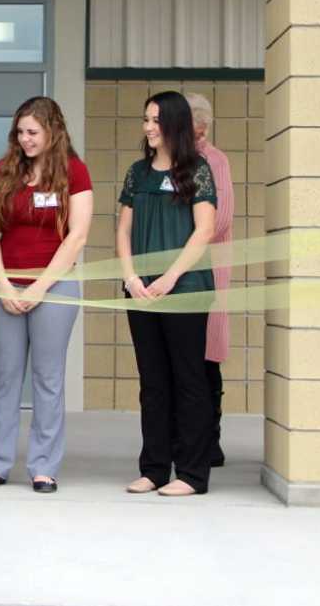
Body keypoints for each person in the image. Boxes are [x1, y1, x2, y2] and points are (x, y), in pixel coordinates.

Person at [0, 97, 93, 494]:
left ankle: (43, 466)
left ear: (53, 131)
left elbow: (77, 236)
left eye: (33, 132)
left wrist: (41, 287)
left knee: (48, 377)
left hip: (54, 287)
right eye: (20, 132)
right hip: (6, 284)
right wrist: (3, 282)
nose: (25, 139)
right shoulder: (4, 170)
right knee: (5, 378)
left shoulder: (75, 172)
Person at [118, 91, 217, 497]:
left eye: (154, 120)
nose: (147, 127)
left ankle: (192, 474)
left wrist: (170, 277)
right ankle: (155, 468)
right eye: (145, 120)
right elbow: (122, 231)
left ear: (174, 123)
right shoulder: (137, 173)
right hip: (140, 292)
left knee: (189, 380)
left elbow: (205, 231)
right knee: (152, 382)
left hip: (185, 290)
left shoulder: (199, 170)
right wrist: (131, 278)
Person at [186, 92, 234, 467]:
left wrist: (176, 238)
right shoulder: (174, 161)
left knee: (205, 361)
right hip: (177, 273)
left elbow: (218, 221)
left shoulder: (214, 161)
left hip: (205, 273)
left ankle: (209, 443)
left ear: (199, 126)